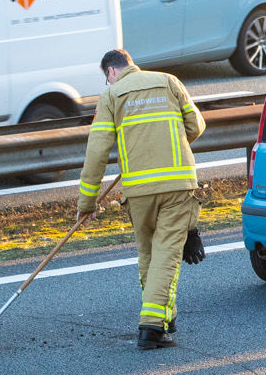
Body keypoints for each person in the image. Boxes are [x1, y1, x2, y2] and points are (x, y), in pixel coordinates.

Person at [75, 48, 207, 349]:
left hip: (138, 191)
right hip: (177, 185)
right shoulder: (169, 81)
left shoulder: (110, 96)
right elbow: (196, 126)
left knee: (149, 254)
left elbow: (96, 153)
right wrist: (168, 142)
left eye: (107, 77)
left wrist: (87, 203)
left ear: (111, 71)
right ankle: (151, 327)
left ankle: (164, 318)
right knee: (166, 255)